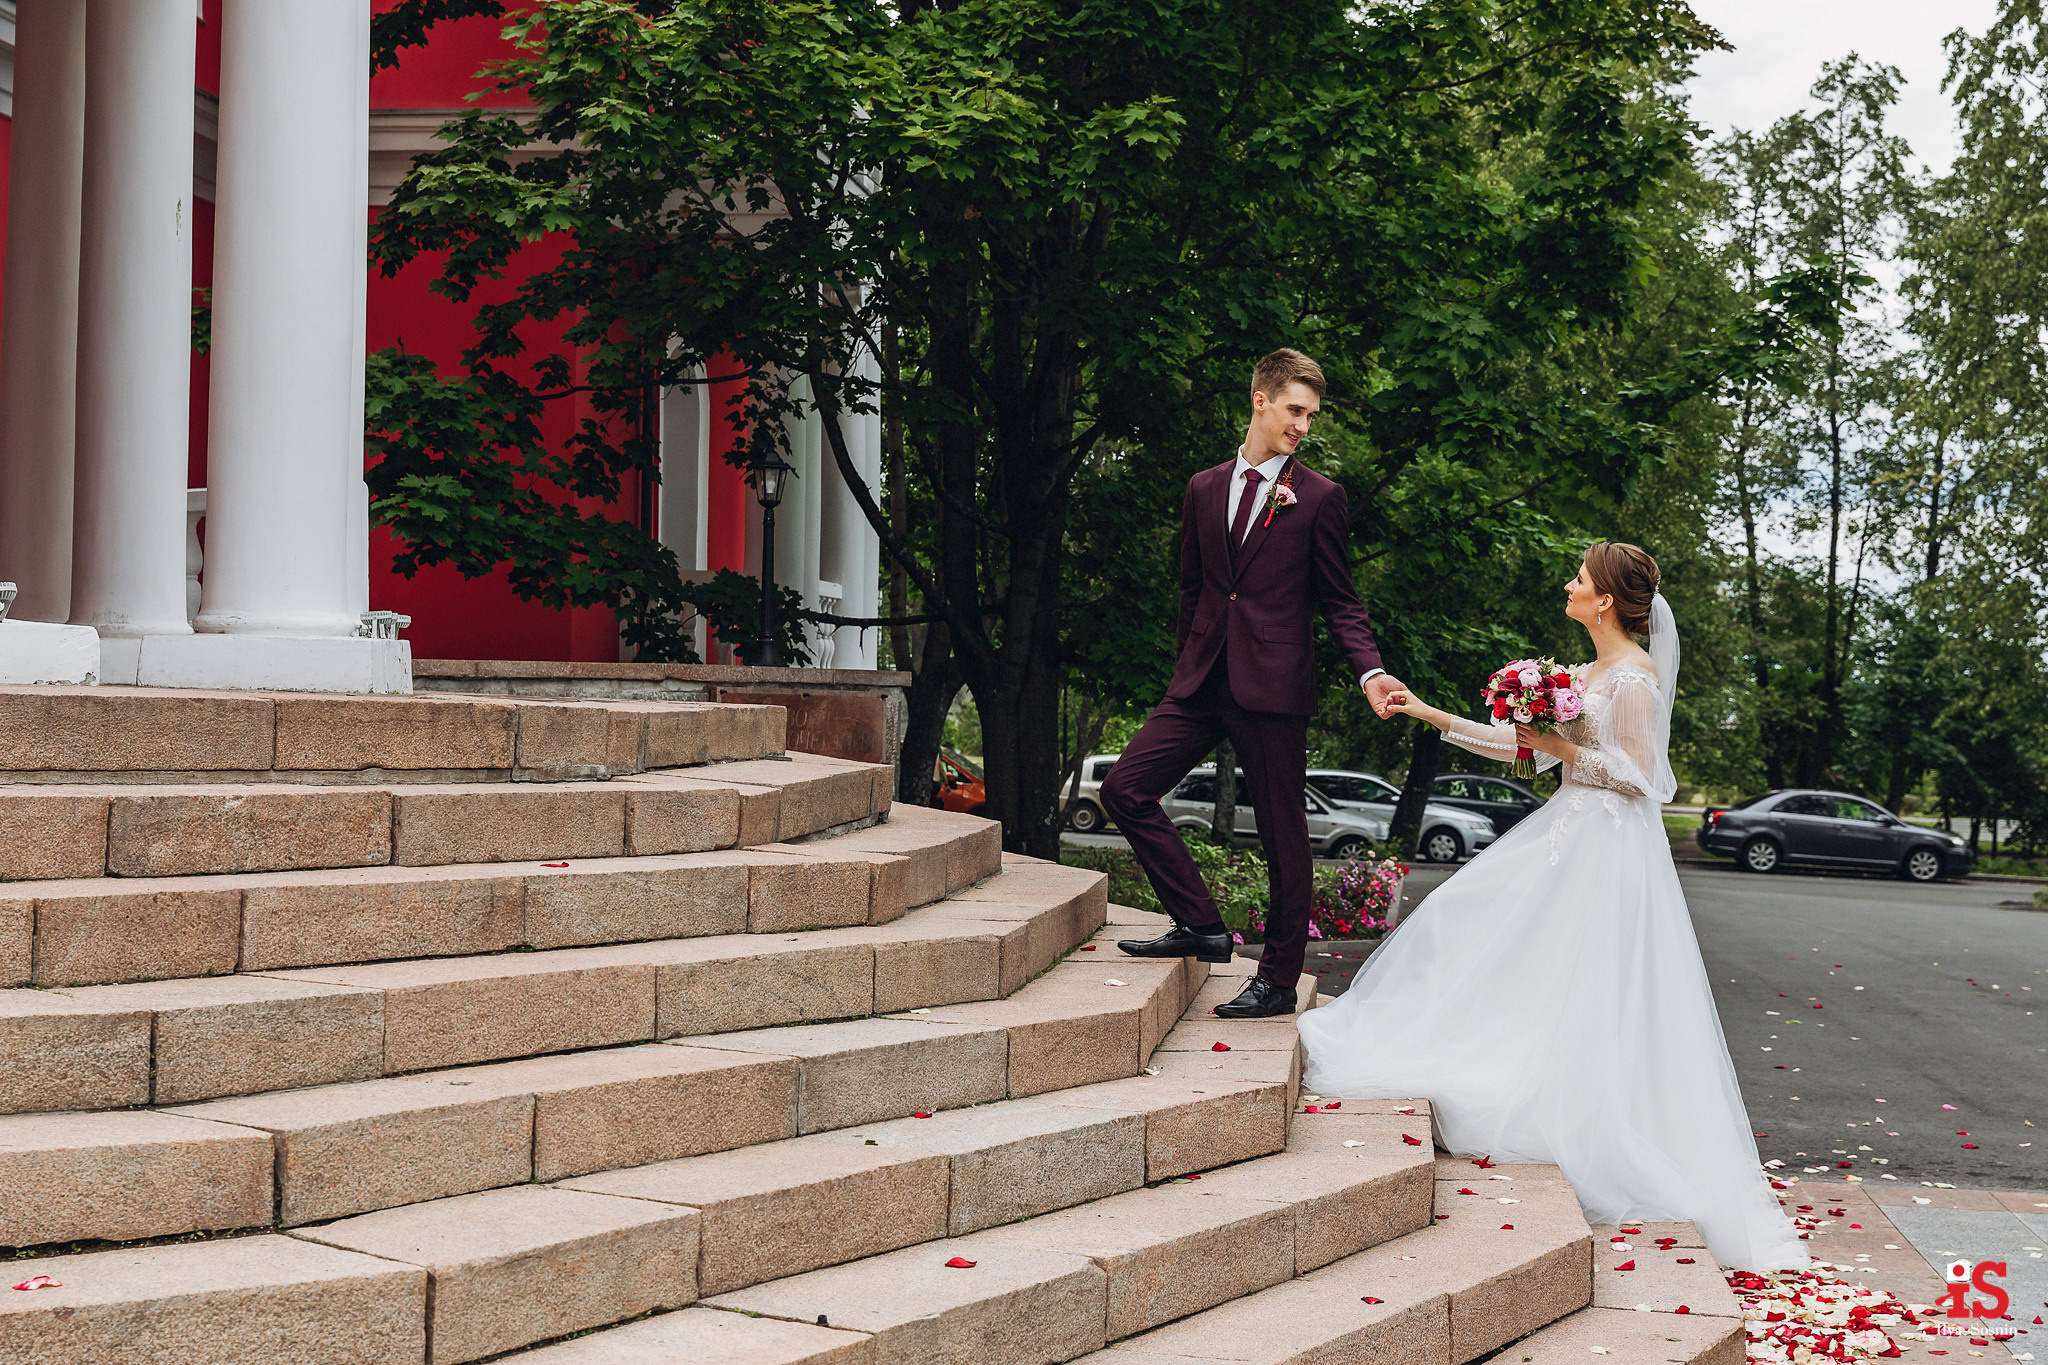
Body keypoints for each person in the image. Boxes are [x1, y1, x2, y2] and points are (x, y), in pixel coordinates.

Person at [1297, 541, 1806, 1271]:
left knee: (1575, 970)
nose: (1569, 584)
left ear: (1605, 599)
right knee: (1467, 917)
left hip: (1606, 843)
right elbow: (1518, 748)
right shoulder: (1581, 673)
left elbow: (1643, 779)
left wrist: (1562, 752)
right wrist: (1425, 710)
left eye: (1580, 578)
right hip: (1568, 826)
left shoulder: (1633, 676)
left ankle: (1570, 1104)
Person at [1100, 348, 1405, 1019]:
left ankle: (1276, 977)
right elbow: (1193, 586)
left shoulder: (1321, 497)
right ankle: (1201, 924)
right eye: (1295, 409)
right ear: (1260, 399)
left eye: (1311, 415)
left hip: (1273, 686)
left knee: (1282, 834)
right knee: (1125, 788)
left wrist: (1371, 671)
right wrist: (1186, 662)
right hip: (1203, 676)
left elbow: (1342, 601)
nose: (1303, 424)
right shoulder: (1203, 487)